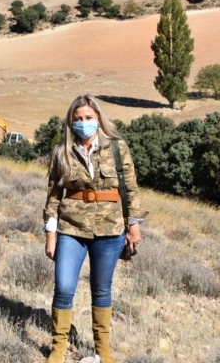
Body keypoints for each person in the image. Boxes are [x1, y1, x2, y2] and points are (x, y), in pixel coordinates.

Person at [43, 94, 148, 363]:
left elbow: (131, 189)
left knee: (102, 288)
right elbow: (54, 196)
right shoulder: (62, 151)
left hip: (110, 229)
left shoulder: (116, 148)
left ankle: (102, 346)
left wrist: (133, 225)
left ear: (98, 118)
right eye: (77, 119)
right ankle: (58, 347)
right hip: (71, 229)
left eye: (88, 117)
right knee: (64, 286)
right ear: (71, 122)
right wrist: (50, 234)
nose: (83, 123)